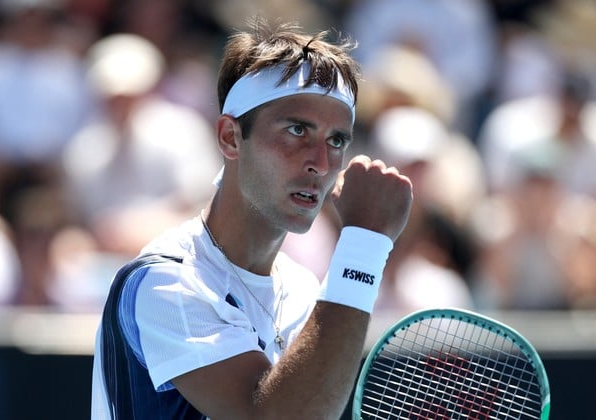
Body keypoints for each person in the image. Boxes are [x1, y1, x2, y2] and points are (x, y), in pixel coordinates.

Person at [91, 18, 412, 419]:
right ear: (230, 137)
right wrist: (364, 245)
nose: (321, 163)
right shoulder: (166, 281)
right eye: (298, 130)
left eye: (336, 140)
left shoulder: (302, 289)